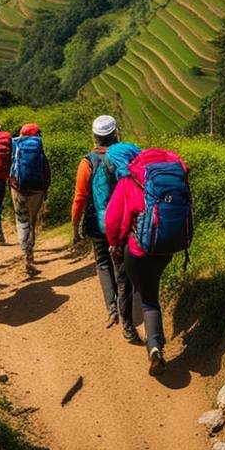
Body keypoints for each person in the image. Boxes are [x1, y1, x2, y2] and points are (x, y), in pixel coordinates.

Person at [106, 148, 193, 376]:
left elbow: (112, 220)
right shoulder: (178, 178)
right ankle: (154, 340)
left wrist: (114, 244)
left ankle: (154, 347)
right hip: (166, 248)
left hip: (137, 250)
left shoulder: (130, 179)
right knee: (150, 291)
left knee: (146, 296)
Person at [71, 114, 141, 342]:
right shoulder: (124, 157)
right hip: (124, 222)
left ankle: (112, 308)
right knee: (121, 265)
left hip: (97, 222)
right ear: (115, 134)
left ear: (95, 137)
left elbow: (80, 197)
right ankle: (127, 310)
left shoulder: (87, 162)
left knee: (103, 264)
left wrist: (75, 225)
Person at [10, 123, 51, 273]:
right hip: (37, 190)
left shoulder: (16, 146)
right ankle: (29, 253)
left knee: (22, 219)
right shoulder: (39, 148)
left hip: (18, 188)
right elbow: (46, 172)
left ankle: (24, 252)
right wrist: (45, 190)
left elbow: (11, 169)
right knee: (32, 221)